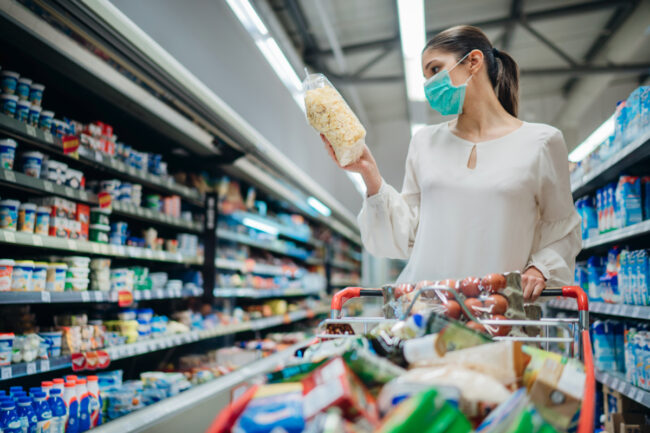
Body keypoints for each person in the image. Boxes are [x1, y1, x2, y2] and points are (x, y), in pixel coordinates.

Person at [321, 25, 581, 301]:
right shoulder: (424, 142)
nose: (429, 85)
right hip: (425, 310)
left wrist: (541, 269)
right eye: (425, 77)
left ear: (473, 62)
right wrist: (369, 174)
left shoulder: (542, 142)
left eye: (435, 70)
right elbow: (407, 234)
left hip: (499, 313)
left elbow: (563, 229)